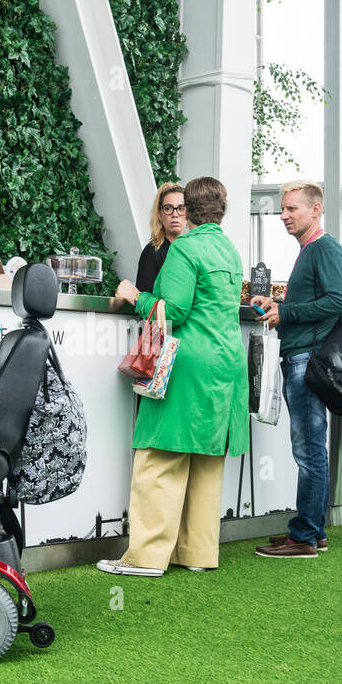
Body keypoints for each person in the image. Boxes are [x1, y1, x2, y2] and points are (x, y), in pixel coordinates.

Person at [98, 176, 249, 576]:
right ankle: (197, 554)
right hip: (226, 364)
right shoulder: (229, 250)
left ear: (189, 210)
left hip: (187, 365)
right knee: (205, 462)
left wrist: (135, 296)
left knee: (159, 458)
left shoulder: (184, 248)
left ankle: (145, 557)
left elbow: (175, 310)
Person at [250, 181, 342, 560]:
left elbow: (341, 301)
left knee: (309, 449)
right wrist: (278, 304)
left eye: (292, 208)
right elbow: (320, 301)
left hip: (308, 361)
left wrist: (286, 311)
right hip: (303, 357)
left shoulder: (324, 247)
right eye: (283, 209)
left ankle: (306, 535)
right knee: (309, 447)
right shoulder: (311, 249)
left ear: (316, 209)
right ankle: (312, 530)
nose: (283, 215)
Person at [135, 182, 186, 292]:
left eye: (181, 208)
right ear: (159, 214)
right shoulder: (152, 252)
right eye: (168, 208)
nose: (175, 214)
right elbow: (143, 300)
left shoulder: (191, 250)